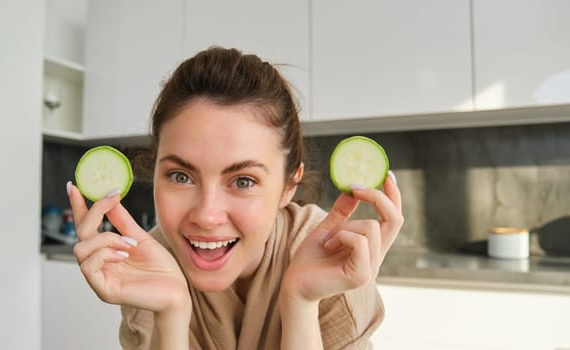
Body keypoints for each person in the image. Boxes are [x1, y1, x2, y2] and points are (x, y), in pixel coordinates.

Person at [65, 47, 404, 349]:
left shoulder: (333, 258)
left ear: (289, 185)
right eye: (181, 176)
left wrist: (300, 301)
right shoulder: (143, 264)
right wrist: (171, 312)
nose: (207, 216)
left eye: (243, 180)